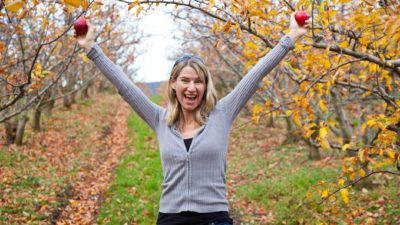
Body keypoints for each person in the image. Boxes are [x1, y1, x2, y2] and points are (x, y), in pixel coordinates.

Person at [76, 12, 308, 225]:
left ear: (206, 86)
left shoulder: (223, 113)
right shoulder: (160, 118)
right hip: (170, 218)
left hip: (214, 218)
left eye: (198, 81)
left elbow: (255, 73)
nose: (191, 87)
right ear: (174, 84)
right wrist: (91, 49)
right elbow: (125, 86)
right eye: (185, 80)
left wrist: (291, 37)